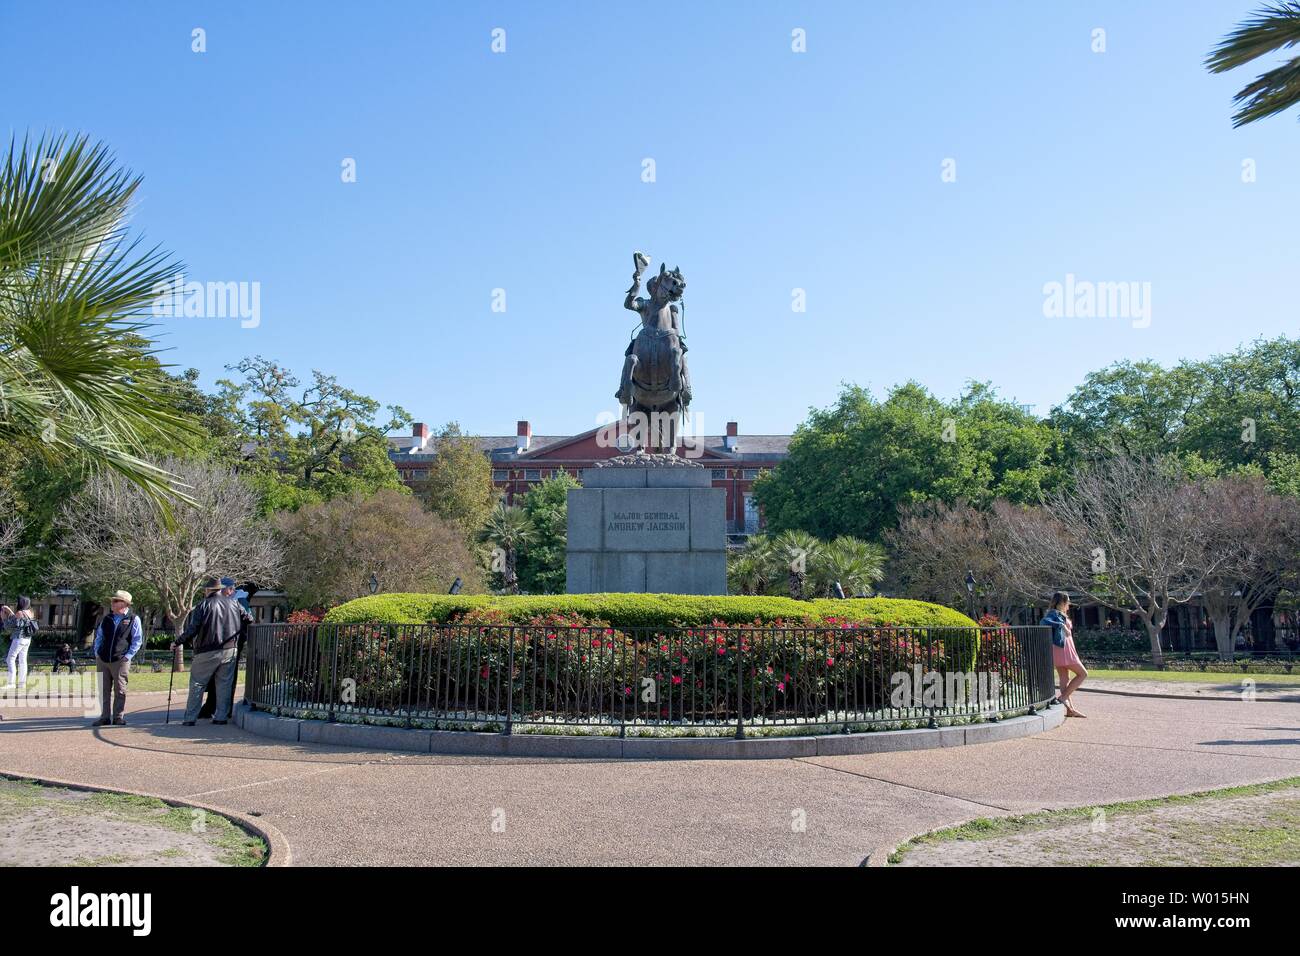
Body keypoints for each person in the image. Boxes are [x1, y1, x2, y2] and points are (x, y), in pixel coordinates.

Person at [173, 577, 252, 726]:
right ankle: (221, 717)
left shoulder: (203, 605)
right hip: (230, 649)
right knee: (224, 684)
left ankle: (190, 718)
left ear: (209, 590)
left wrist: (178, 642)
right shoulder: (235, 603)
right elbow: (249, 618)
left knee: (197, 683)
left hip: (207, 649)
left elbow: (193, 629)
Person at [92, 590, 143, 726]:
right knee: (104, 689)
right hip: (103, 659)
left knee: (120, 689)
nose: (112, 603)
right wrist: (97, 652)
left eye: (116, 601)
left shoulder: (133, 619)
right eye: (112, 601)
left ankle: (118, 716)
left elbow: (137, 640)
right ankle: (104, 717)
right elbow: (99, 637)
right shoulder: (107, 618)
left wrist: (128, 656)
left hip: (120, 659)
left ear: (124, 603)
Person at [1041, 591, 1087, 718]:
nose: (1069, 603)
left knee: (1064, 679)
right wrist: (1062, 625)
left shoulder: (1060, 614)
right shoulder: (1053, 613)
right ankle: (1062, 698)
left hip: (1063, 649)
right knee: (1083, 674)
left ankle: (1070, 710)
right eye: (1067, 601)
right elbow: (1044, 622)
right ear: (1061, 602)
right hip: (1063, 650)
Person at [4, 596, 39, 691]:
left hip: (19, 639)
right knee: (23, 661)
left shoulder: (20, 612)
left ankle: (11, 683)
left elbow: (11, 625)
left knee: (10, 659)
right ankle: (22, 683)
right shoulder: (31, 612)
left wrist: (3, 617)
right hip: (28, 639)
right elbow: (18, 621)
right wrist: (10, 612)